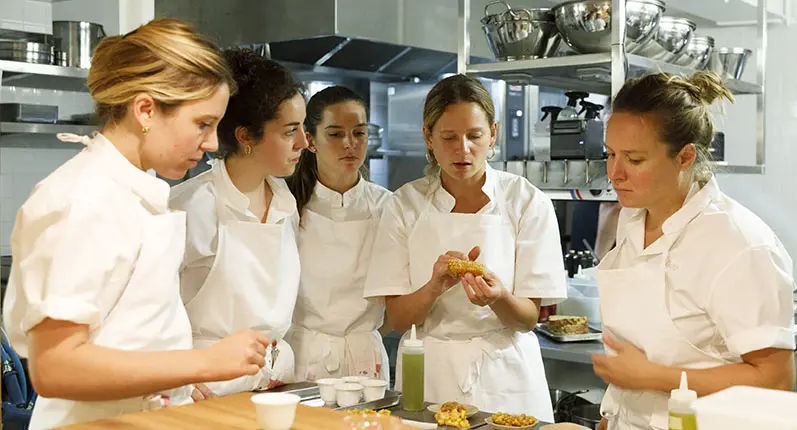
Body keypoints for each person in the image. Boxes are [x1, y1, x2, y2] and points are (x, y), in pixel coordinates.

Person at [1, 19, 271, 429]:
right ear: (145, 109)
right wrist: (201, 363)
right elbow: (55, 367)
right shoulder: (82, 199)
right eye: (202, 124)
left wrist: (176, 378)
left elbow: (125, 333)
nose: (213, 143)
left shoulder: (137, 189)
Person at [591, 72, 795, 430]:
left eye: (635, 160)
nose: (615, 173)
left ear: (685, 157)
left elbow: (775, 380)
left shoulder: (738, 243)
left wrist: (654, 376)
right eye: (610, 154)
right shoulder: (632, 219)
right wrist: (617, 412)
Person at [363, 74, 567, 421]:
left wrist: (499, 298)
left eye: (474, 136)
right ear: (428, 137)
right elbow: (397, 320)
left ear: (493, 135)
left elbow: (529, 318)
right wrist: (434, 287)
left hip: (507, 371)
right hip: (431, 372)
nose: (463, 149)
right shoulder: (404, 205)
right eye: (448, 137)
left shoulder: (526, 201)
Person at [169, 49, 308, 397]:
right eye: (290, 131)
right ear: (246, 137)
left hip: (273, 384)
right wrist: (178, 375)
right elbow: (150, 316)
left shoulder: (286, 205)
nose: (304, 143)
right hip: (207, 389)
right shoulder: (192, 207)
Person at [284, 86, 392, 382]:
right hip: (303, 357)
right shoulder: (286, 203)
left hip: (366, 357)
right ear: (310, 140)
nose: (350, 144)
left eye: (359, 133)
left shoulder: (387, 206)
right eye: (335, 134)